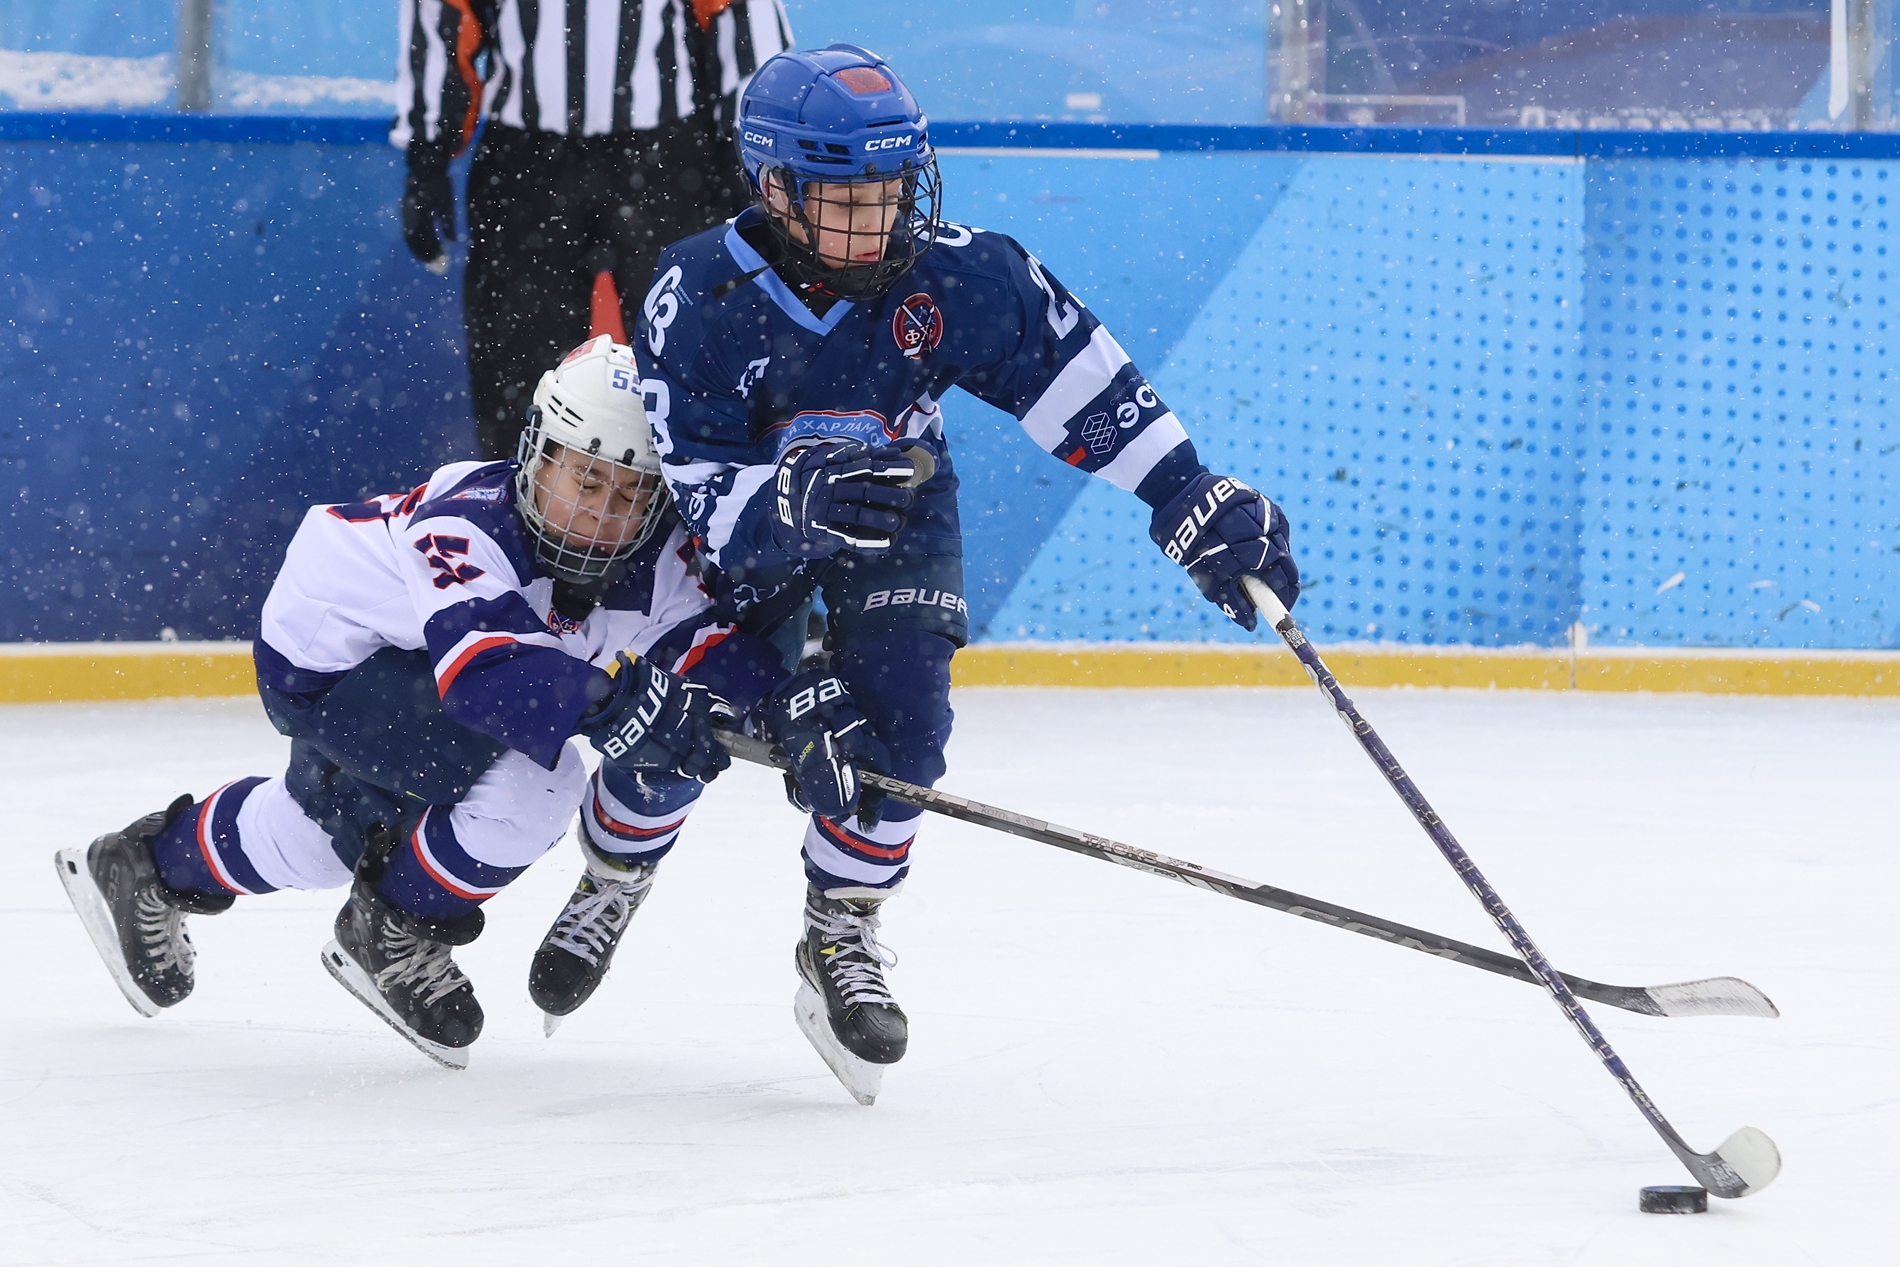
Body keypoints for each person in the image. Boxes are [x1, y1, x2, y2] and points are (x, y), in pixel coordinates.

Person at [570, 44, 1303, 1095]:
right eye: (846, 196)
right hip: (748, 523)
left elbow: (1077, 380)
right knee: (686, 725)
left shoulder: (963, 274)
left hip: (897, 500)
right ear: (773, 188)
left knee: (907, 725)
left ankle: (841, 932)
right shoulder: (698, 291)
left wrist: (1181, 488)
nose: (881, 217)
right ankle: (613, 870)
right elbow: (693, 489)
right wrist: (787, 503)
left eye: (891, 188)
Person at [53, 336, 875, 1069]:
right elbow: (486, 675)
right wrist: (616, 701)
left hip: (409, 679)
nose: (599, 511)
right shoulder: (467, 525)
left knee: (324, 833)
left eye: (628, 493)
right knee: (533, 790)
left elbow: (697, 644)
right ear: (535, 454)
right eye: (583, 477)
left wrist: (783, 709)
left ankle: (144, 867)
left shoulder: (651, 558)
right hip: (336, 663)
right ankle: (392, 926)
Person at [394, 0, 796, 460]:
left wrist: (748, 156)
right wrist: (427, 151)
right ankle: (516, 509)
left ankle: (700, 512)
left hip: (665, 157)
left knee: (693, 362)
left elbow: (741, 19)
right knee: (516, 370)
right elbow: (445, 13)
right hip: (527, 163)